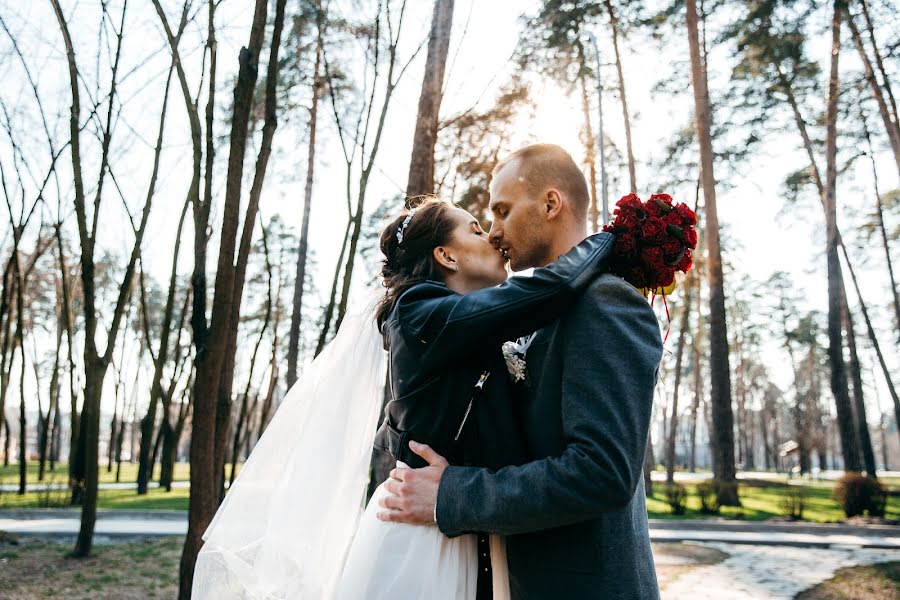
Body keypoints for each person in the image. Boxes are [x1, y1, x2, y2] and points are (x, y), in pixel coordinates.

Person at [192, 195, 615, 599]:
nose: (492, 237)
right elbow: (547, 290)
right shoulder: (417, 310)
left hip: (461, 529)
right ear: (446, 256)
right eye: (475, 229)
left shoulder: (457, 327)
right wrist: (615, 239)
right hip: (423, 548)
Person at [377, 144, 664, 599]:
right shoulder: (507, 316)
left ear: (550, 204)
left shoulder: (606, 303)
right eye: (484, 222)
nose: (493, 233)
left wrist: (452, 494)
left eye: (502, 211)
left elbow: (602, 472)